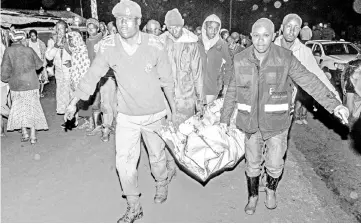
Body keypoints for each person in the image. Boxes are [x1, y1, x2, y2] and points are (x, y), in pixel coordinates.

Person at [220, 18, 349, 216]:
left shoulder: (285, 57)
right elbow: (232, 91)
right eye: (256, 35)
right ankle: (253, 196)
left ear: (273, 36)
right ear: (251, 36)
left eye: (266, 36)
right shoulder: (240, 59)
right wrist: (224, 118)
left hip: (277, 123)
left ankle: (271, 190)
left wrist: (335, 105)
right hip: (250, 123)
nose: (261, 41)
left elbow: (309, 81)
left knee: (274, 163)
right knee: (252, 162)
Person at [64, 0, 176, 222]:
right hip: (126, 116)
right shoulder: (108, 47)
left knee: (157, 159)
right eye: (119, 20)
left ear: (138, 21)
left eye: (129, 19)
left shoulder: (154, 45)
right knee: (123, 163)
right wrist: (73, 102)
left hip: (154, 114)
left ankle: (161, 182)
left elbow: (167, 81)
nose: (123, 24)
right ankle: (134, 205)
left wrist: (173, 111)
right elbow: (92, 75)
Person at [160, 8, 204, 182]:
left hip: (186, 97)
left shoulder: (191, 43)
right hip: (166, 98)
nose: (174, 30)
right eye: (171, 26)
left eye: (177, 26)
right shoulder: (161, 42)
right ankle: (171, 165)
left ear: (182, 25)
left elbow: (197, 73)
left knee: (185, 132)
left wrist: (199, 100)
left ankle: (185, 163)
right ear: (167, 26)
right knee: (169, 132)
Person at [274, 14, 341, 125]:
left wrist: (336, 103)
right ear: (281, 27)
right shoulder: (269, 47)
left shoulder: (304, 52)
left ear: (300, 30)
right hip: (262, 110)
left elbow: (318, 77)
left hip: (285, 111)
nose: (292, 31)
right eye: (288, 26)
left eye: (296, 27)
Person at [1, 30, 48, 144]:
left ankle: (24, 133)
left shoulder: (8, 51)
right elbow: (39, 65)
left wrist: (6, 79)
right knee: (31, 109)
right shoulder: (29, 50)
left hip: (16, 85)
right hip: (31, 83)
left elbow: (4, 72)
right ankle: (33, 136)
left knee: (20, 109)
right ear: (22, 39)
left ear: (12, 40)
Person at [198, 14, 233, 104]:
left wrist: (226, 86)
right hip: (196, 88)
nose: (213, 31)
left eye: (216, 28)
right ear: (205, 27)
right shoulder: (196, 42)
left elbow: (228, 67)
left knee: (207, 114)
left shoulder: (222, 44)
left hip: (212, 88)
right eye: (210, 28)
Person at [45, 20, 72, 116]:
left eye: (62, 28)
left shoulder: (71, 39)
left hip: (69, 70)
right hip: (58, 70)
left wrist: (72, 62)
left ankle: (70, 116)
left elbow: (78, 53)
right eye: (58, 28)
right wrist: (56, 45)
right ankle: (64, 112)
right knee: (61, 91)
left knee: (69, 92)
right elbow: (48, 57)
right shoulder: (52, 40)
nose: (60, 31)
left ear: (66, 29)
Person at [67, 31, 91, 127]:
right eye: (69, 39)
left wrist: (81, 81)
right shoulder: (74, 50)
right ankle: (74, 120)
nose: (70, 41)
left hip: (82, 80)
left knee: (85, 101)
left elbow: (86, 67)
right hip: (74, 79)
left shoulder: (83, 50)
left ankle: (89, 122)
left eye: (71, 39)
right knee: (74, 101)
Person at [26, 29, 48, 97]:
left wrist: (44, 63)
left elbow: (45, 54)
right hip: (30, 63)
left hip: (40, 63)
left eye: (34, 36)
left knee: (42, 79)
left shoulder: (41, 44)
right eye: (31, 36)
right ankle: (33, 93)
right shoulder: (27, 43)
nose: (33, 37)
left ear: (37, 35)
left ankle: (40, 92)